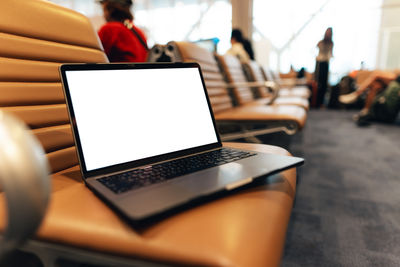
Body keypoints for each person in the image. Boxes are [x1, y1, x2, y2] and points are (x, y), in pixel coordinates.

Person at [315, 27, 334, 108]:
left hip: (326, 63)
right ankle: (316, 102)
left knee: (324, 84)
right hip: (319, 63)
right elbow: (317, 50)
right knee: (318, 83)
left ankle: (322, 103)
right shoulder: (321, 42)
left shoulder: (331, 43)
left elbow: (331, 54)